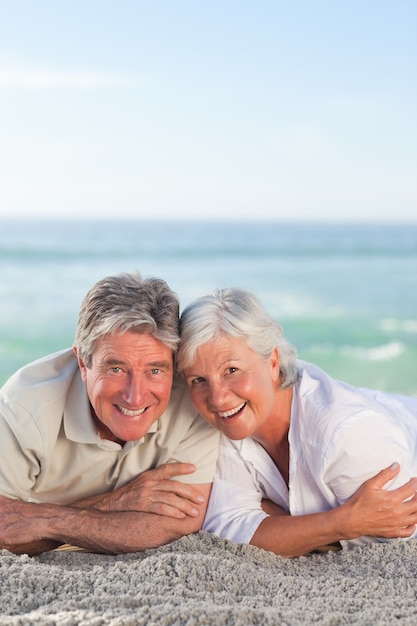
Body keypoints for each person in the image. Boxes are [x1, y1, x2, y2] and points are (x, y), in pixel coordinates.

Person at [177, 286, 417, 557]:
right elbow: (228, 528)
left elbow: (397, 531)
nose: (217, 399)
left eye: (231, 370)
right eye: (198, 380)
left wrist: (279, 518)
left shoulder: (347, 435)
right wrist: (341, 523)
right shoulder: (226, 423)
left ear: (273, 361)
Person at [0, 271, 219, 556]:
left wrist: (42, 520)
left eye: (155, 370)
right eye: (116, 369)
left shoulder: (192, 401)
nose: (135, 395)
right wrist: (112, 503)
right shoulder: (25, 406)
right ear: (83, 362)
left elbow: (177, 524)